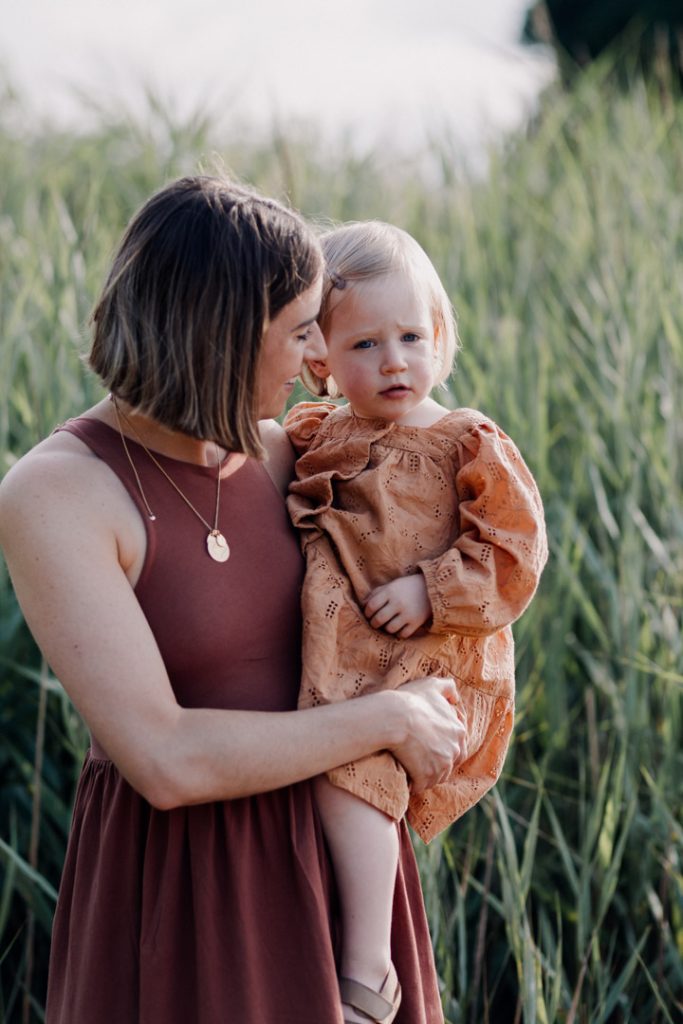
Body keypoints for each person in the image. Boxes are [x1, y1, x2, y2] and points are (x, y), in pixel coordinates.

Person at [0, 178, 468, 1024]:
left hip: (337, 864)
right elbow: (165, 759)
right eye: (300, 331)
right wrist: (389, 720)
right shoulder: (59, 492)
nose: (317, 359)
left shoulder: (296, 454)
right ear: (222, 334)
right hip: (186, 890)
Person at [284, 221, 548, 1024]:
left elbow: (515, 548)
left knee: (353, 770)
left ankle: (368, 960)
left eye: (410, 337)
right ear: (319, 359)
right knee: (320, 766)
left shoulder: (462, 440)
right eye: (364, 344)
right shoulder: (316, 433)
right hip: (347, 646)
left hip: (426, 653)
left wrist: (432, 591)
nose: (393, 361)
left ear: (440, 337)